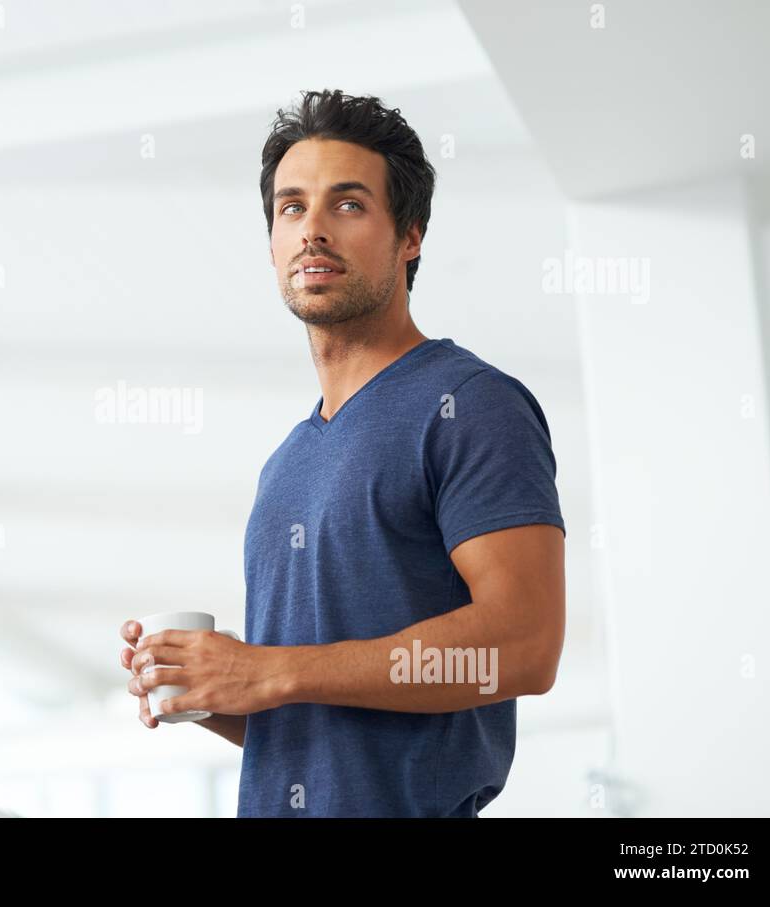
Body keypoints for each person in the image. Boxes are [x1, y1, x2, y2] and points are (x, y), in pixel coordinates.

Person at [120, 89, 566, 817]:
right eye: (292, 207)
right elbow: (315, 714)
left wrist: (271, 669)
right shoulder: (285, 464)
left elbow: (523, 644)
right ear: (271, 243)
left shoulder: (470, 404)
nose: (312, 230)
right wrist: (215, 690)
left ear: (410, 236)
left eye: (348, 205)